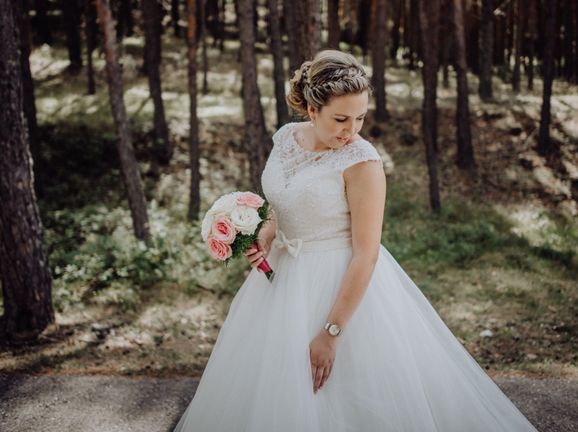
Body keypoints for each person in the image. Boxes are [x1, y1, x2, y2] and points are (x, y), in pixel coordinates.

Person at [173, 50, 538, 431]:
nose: (351, 130)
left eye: (360, 118)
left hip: (341, 286)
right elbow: (284, 205)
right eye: (341, 119)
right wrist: (266, 232)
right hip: (279, 283)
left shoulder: (361, 161)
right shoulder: (286, 139)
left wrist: (331, 333)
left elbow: (367, 253)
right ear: (312, 111)